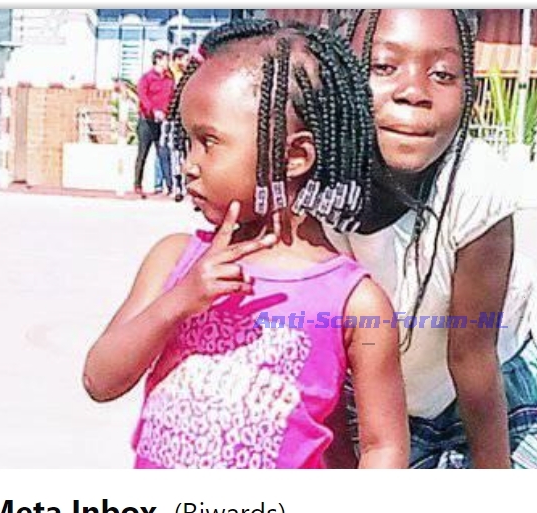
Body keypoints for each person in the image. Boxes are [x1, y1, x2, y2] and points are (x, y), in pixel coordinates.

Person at [83, 20, 409, 469]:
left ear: (294, 156)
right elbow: (99, 379)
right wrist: (177, 302)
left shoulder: (355, 302)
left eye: (209, 143)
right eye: (187, 142)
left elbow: (383, 446)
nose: (189, 165)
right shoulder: (175, 259)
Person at [327, 10, 537, 468]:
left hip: (498, 384)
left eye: (442, 74)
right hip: (387, 391)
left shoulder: (475, 184)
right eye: (384, 66)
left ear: (467, 88)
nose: (414, 92)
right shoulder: (314, 182)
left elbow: (472, 357)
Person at [135, 49, 175, 198]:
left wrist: (168, 113)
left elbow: (171, 97)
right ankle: (137, 184)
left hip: (162, 122)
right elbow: (143, 96)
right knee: (143, 153)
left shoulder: (169, 79)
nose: (167, 63)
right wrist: (153, 110)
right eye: (165, 59)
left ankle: (170, 186)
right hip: (147, 121)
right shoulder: (146, 78)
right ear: (157, 60)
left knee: (163, 152)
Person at [157, 48, 193, 199]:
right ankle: (174, 186)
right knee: (173, 152)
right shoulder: (169, 76)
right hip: (172, 119)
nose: (187, 63)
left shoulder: (189, 75)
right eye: (185, 59)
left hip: (185, 119)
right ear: (177, 60)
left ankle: (186, 186)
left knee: (186, 153)